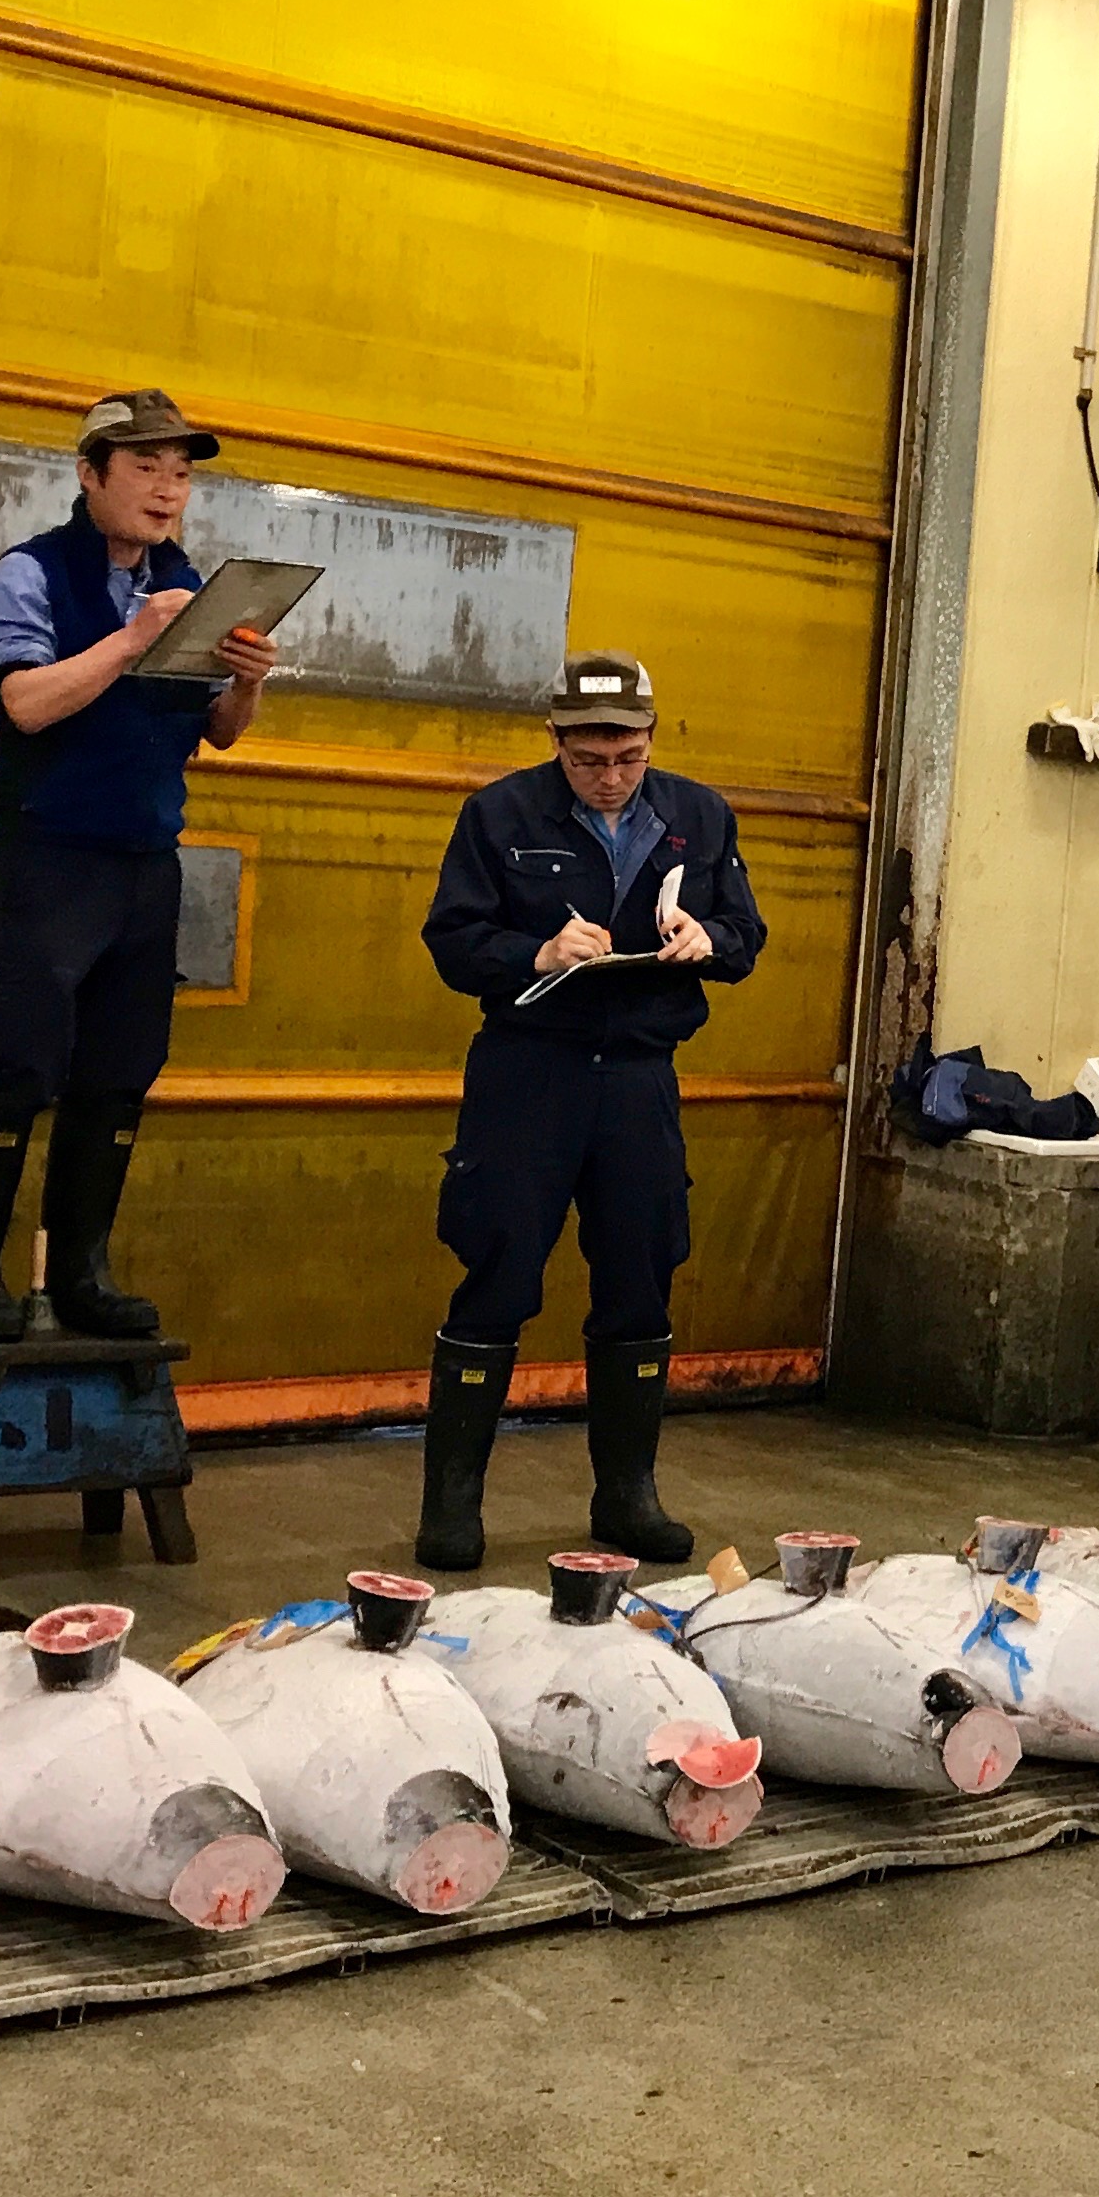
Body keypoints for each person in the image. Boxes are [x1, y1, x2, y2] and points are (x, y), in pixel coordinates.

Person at [0, 389, 277, 1345]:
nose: (168, 490)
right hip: (49, 857)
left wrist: (244, 686)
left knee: (122, 1075)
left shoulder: (191, 581)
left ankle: (82, 1272)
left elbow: (217, 734)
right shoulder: (29, 575)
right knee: (20, 1067)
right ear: (90, 476)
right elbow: (29, 704)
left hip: (145, 864)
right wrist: (131, 639)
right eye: (145, 468)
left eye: (182, 472)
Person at [415, 651, 764, 1570]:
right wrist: (536, 951)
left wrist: (707, 937)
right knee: (497, 1273)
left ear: (651, 739)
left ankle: (627, 1496)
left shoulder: (699, 816)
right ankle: (452, 1507)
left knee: (641, 1273)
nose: (610, 777)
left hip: (639, 1080)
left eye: (628, 757)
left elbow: (746, 934)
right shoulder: (498, 814)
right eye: (590, 760)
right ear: (557, 741)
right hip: (530, 1076)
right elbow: (452, 940)